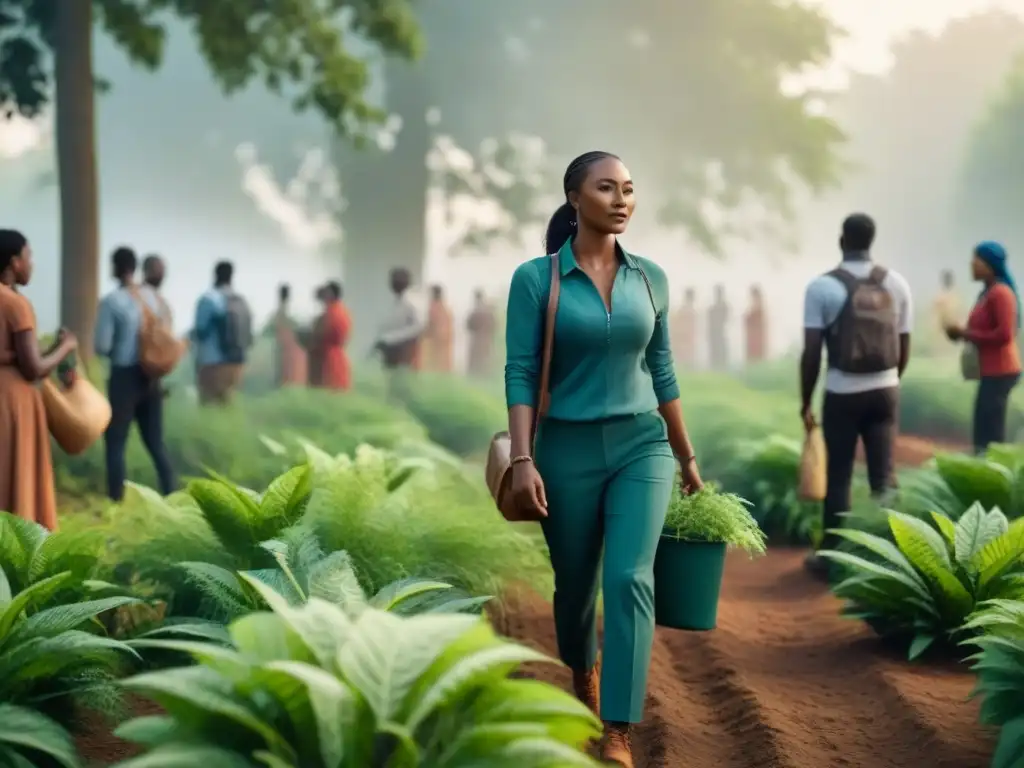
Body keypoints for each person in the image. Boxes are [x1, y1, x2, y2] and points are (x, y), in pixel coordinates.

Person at [505, 151, 703, 767]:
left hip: (641, 446)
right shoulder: (538, 280)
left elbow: (662, 369)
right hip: (563, 450)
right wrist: (522, 459)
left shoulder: (651, 279)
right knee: (573, 592)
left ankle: (617, 728)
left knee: (628, 579)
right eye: (606, 188)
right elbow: (521, 371)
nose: (622, 200)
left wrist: (685, 455)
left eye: (629, 190)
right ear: (574, 198)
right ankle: (581, 668)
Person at [800, 213, 912, 579]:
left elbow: (813, 352)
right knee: (884, 475)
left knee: (840, 475)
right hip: (886, 390)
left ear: (841, 240)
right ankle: (891, 561)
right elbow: (904, 343)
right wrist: (890, 380)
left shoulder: (822, 288)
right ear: (871, 240)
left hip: (842, 392)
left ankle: (832, 556)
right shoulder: (897, 284)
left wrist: (805, 401)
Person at [0, 230, 75, 530]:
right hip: (13, 401)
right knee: (15, 475)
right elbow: (33, 368)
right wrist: (67, 347)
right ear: (14, 262)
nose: (31, 264)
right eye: (28, 257)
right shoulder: (16, 304)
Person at [94, 247, 177, 501]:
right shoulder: (156, 300)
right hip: (152, 377)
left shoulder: (112, 301)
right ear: (135, 267)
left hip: (124, 376)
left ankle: (116, 502)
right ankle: (174, 499)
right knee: (155, 443)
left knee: (116, 443)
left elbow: (102, 346)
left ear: (116, 267)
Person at [945, 242, 1021, 453]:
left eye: (976, 260)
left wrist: (965, 334)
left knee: (990, 432)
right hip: (990, 371)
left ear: (989, 265)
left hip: (1001, 371)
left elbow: (1005, 334)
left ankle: (992, 473)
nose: (972, 264)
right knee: (983, 428)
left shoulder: (1001, 293)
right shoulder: (987, 294)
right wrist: (961, 334)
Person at [192, 261, 253, 405]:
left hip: (211, 363)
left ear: (215, 275)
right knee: (228, 408)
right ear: (231, 276)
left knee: (209, 408)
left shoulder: (208, 299)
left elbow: (200, 331)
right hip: (236, 364)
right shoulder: (240, 301)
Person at [375, 267, 424, 377]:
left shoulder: (411, 301)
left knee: (402, 381)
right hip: (392, 350)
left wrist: (392, 338)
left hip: (404, 351)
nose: (392, 283)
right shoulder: (398, 300)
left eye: (396, 280)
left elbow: (418, 326)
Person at [316, 280, 352, 390]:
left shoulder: (334, 312)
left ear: (331, 294)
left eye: (326, 293)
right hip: (334, 356)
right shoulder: (339, 310)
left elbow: (322, 332)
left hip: (332, 359)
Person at [272, 284, 307, 388]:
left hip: (287, 348)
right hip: (287, 347)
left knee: (287, 375)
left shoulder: (282, 311)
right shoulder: (285, 311)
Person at [422, 284, 454, 372]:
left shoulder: (434, 307)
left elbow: (431, 326)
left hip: (436, 343)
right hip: (443, 344)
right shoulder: (446, 308)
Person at [466, 288, 496, 378]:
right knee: (484, 360)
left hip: (477, 340)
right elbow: (494, 325)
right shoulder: (488, 311)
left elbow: (468, 325)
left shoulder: (475, 311)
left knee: (476, 361)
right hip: (486, 340)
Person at [671, 287, 698, 370]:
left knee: (688, 357)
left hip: (688, 338)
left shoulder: (690, 310)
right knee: (684, 357)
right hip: (684, 338)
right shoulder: (685, 310)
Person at [708, 285, 729, 371]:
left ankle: (722, 368)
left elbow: (726, 319)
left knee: (721, 353)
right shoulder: (713, 308)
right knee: (715, 353)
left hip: (720, 333)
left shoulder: (723, 307)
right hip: (715, 334)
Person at [744, 284, 767, 365]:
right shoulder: (755, 309)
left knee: (757, 358)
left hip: (757, 337)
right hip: (752, 337)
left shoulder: (759, 310)